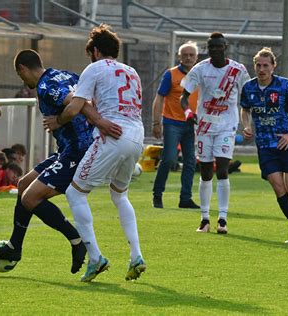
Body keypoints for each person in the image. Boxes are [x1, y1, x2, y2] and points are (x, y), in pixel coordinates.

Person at [0, 49, 120, 274]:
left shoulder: (47, 86)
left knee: (30, 198)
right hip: (68, 149)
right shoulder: (65, 75)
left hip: (77, 152)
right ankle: (14, 247)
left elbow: (77, 103)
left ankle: (77, 242)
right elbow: (89, 96)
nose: (24, 81)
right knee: (23, 184)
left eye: (21, 76)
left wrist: (69, 120)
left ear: (23, 69)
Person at [44, 24, 146, 282]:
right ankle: (136, 256)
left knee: (75, 193)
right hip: (137, 136)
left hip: (113, 135)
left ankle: (96, 257)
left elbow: (76, 106)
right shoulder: (131, 71)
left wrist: (58, 121)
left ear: (96, 50)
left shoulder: (95, 68)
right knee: (120, 195)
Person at [240, 47, 288, 244]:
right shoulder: (248, 88)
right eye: (258, 65)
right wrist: (246, 126)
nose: (261, 69)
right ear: (254, 66)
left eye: (266, 65)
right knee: (277, 186)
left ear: (273, 66)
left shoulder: (285, 86)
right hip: (265, 145)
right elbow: (245, 109)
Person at [180, 32, 250, 234]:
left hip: (227, 126)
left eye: (219, 46)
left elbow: (248, 95)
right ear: (208, 49)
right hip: (204, 126)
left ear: (225, 46)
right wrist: (187, 112)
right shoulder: (200, 69)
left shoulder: (237, 70)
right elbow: (184, 96)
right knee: (205, 171)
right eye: (212, 47)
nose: (216, 50)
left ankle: (223, 218)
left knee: (222, 168)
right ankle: (204, 218)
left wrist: (248, 121)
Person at [152, 41, 200, 209]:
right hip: (172, 122)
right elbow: (159, 98)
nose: (188, 57)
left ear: (196, 57)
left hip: (191, 124)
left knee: (190, 161)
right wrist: (156, 122)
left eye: (191, 55)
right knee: (169, 158)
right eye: (185, 55)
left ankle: (185, 198)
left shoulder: (200, 75)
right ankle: (157, 194)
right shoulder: (170, 75)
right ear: (179, 56)